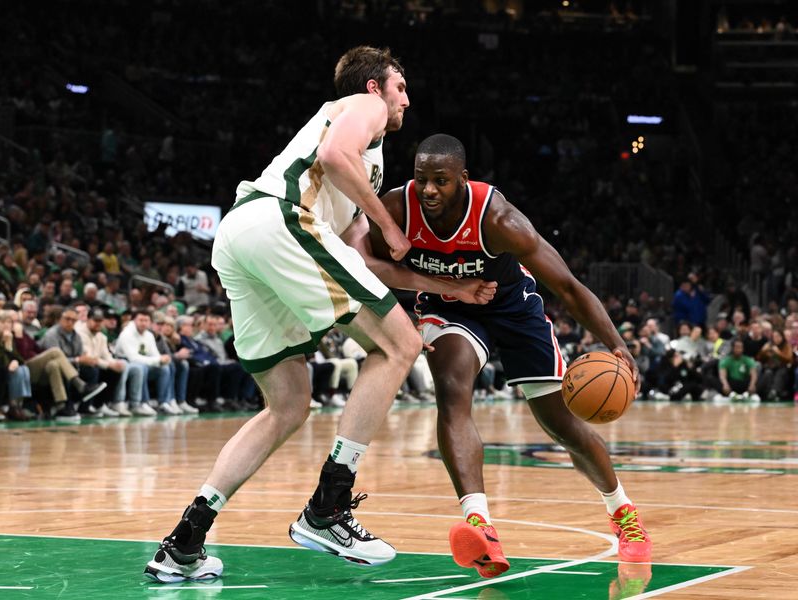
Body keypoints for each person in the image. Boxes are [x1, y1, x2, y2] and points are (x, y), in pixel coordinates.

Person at [144, 47, 496, 583]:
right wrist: (393, 226)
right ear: (375, 86)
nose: (407, 98)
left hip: (244, 237)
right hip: (280, 220)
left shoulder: (366, 163)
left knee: (286, 405)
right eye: (400, 86)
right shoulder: (362, 107)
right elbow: (333, 155)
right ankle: (327, 508)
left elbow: (359, 259)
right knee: (399, 346)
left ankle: (184, 541)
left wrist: (448, 285)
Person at [356, 134, 652, 577]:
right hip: (447, 305)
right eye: (422, 180)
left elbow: (568, 286)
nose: (430, 190)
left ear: (463, 179)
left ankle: (623, 511)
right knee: (452, 390)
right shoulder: (397, 209)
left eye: (441, 180)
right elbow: (370, 263)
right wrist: (428, 301)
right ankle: (480, 524)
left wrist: (617, 343)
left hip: (513, 305)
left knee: (562, 424)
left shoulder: (500, 219)